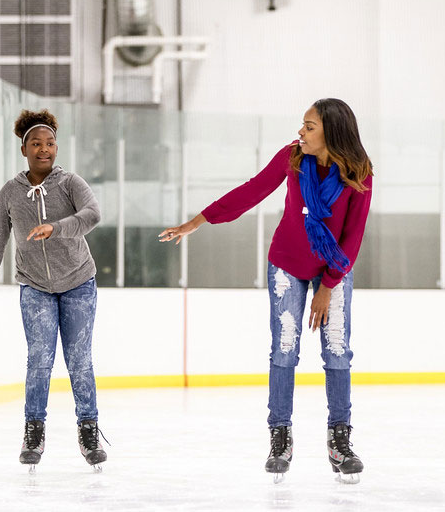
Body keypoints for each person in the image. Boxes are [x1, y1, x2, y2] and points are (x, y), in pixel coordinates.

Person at [159, 98, 372, 482]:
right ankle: (280, 436)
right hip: (288, 264)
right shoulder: (292, 158)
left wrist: (328, 285)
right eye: (303, 125)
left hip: (335, 269)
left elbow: (353, 235)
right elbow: (252, 191)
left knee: (337, 351)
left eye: (309, 126)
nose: (301, 132)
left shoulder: (358, 172)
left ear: (331, 132)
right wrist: (196, 222)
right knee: (285, 349)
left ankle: (339, 441)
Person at [0, 109, 107, 472]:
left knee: (79, 360)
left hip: (79, 283)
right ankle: (34, 431)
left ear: (56, 147)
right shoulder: (11, 193)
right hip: (35, 287)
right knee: (39, 360)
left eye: (50, 143)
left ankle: (88, 430)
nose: (44, 149)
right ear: (24, 148)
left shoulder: (71, 183)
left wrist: (56, 228)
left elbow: (93, 214)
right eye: (36, 144)